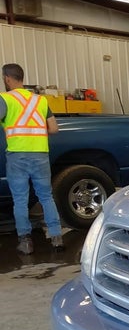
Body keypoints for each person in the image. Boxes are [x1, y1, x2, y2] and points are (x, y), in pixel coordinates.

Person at [1, 63, 63, 254]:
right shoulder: (40, 100)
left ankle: (26, 242)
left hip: (17, 156)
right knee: (46, 196)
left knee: (20, 199)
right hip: (40, 155)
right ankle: (57, 238)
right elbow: (53, 129)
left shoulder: (4, 99)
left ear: (7, 79)